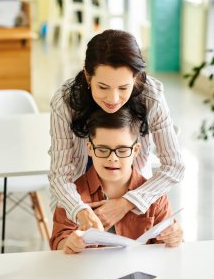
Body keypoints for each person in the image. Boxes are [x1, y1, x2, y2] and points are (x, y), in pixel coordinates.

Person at [49, 29, 185, 232]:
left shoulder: (152, 97)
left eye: (123, 88)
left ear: (136, 78)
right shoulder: (65, 102)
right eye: (103, 87)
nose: (113, 99)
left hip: (133, 193)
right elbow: (60, 175)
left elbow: (175, 166)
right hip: (78, 198)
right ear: (87, 76)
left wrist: (126, 202)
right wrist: (79, 210)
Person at [50, 108, 183, 253]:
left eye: (122, 150)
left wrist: (174, 237)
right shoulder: (71, 196)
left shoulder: (155, 197)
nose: (112, 158)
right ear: (89, 148)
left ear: (136, 150)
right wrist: (69, 244)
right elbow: (59, 242)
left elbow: (166, 247)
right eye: (102, 149)